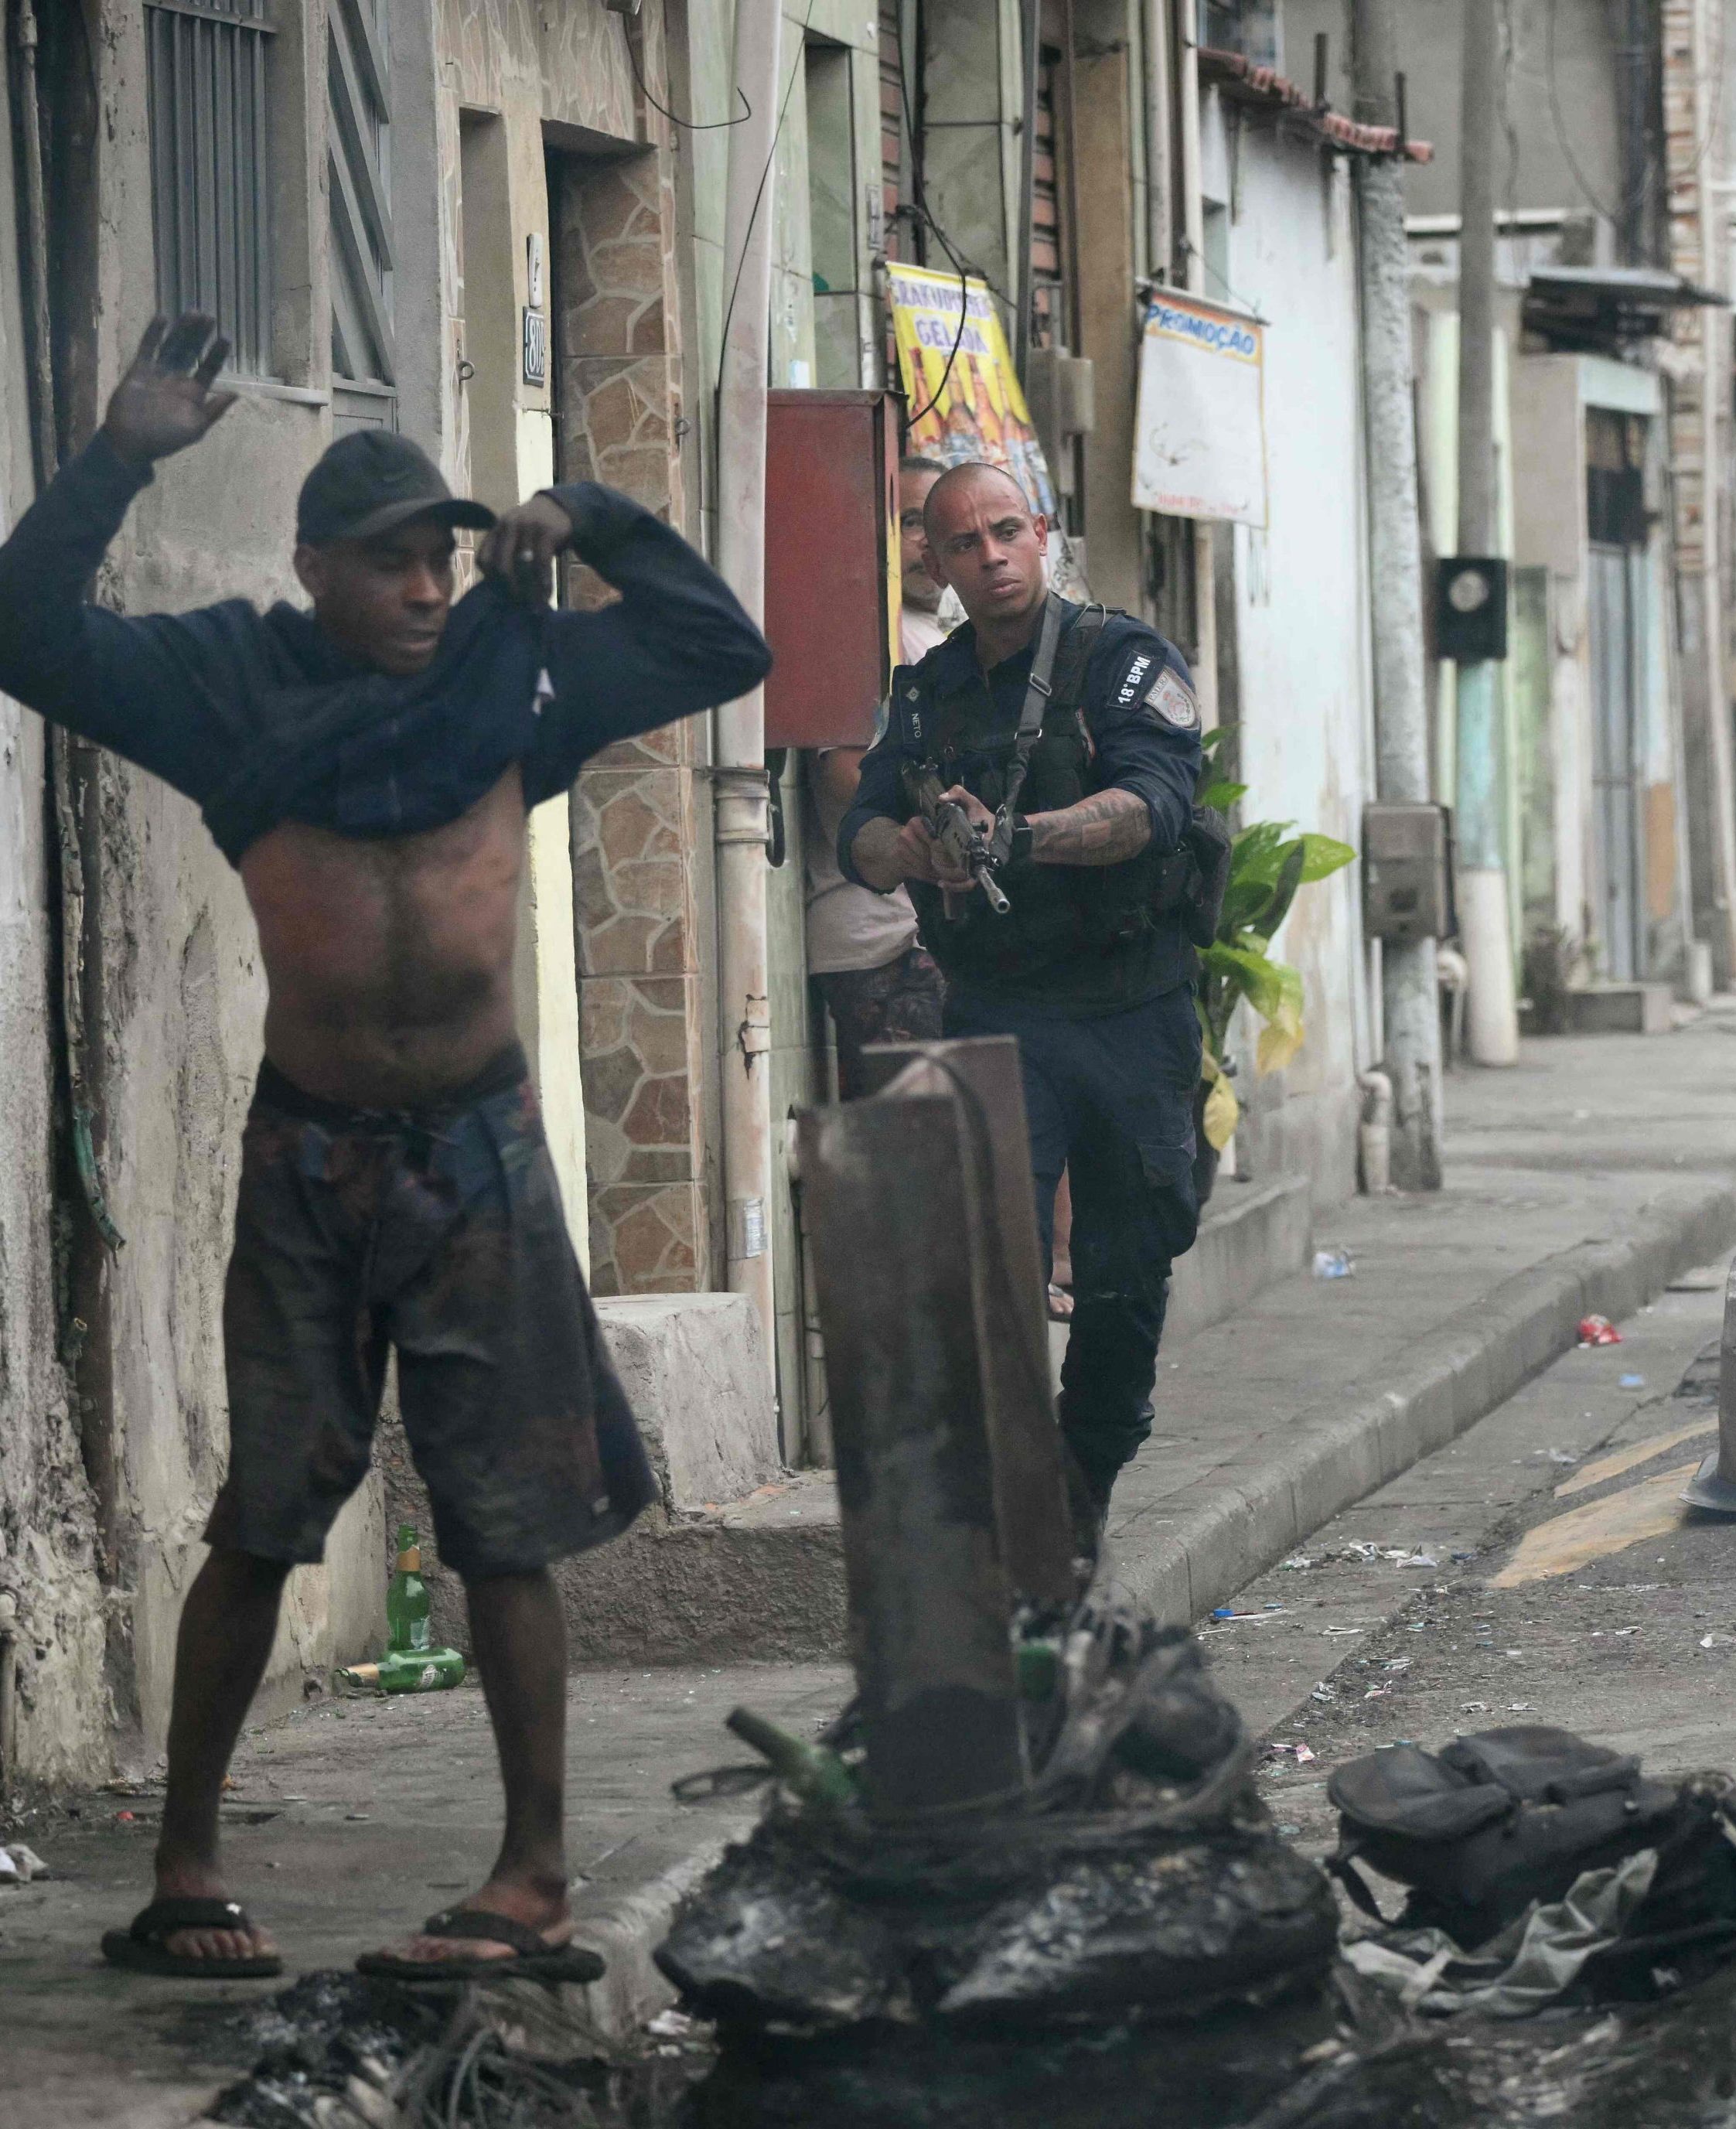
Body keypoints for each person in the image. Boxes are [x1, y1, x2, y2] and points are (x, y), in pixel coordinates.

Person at [0, 317, 768, 1984]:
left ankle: (536, 1870)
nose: (428, 588)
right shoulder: (231, 686)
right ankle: (186, 1864)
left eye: (444, 557)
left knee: (508, 1519)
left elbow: (726, 646)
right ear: (314, 566)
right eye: (394, 562)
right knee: (264, 1514)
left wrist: (596, 513)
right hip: (311, 1156)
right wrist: (119, 455)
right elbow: (23, 630)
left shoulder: (521, 672)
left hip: (481, 1148)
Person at [842, 461, 1208, 1527]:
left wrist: (1019, 839)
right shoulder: (930, 689)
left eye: (1007, 532)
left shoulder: (1119, 660)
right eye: (965, 543)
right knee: (981, 1263)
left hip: (1130, 1010)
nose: (991, 557)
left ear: (1041, 534)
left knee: (1125, 1272)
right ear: (939, 561)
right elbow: (855, 834)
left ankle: (1083, 1473)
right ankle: (1007, 1502)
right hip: (998, 1015)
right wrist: (911, 847)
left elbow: (1156, 804)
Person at [804, 455, 952, 1099]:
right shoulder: (868, 631)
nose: (927, 541)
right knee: (913, 1168)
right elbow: (843, 771)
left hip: (931, 939)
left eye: (938, 523)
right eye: (910, 520)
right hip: (887, 945)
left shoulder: (944, 631)